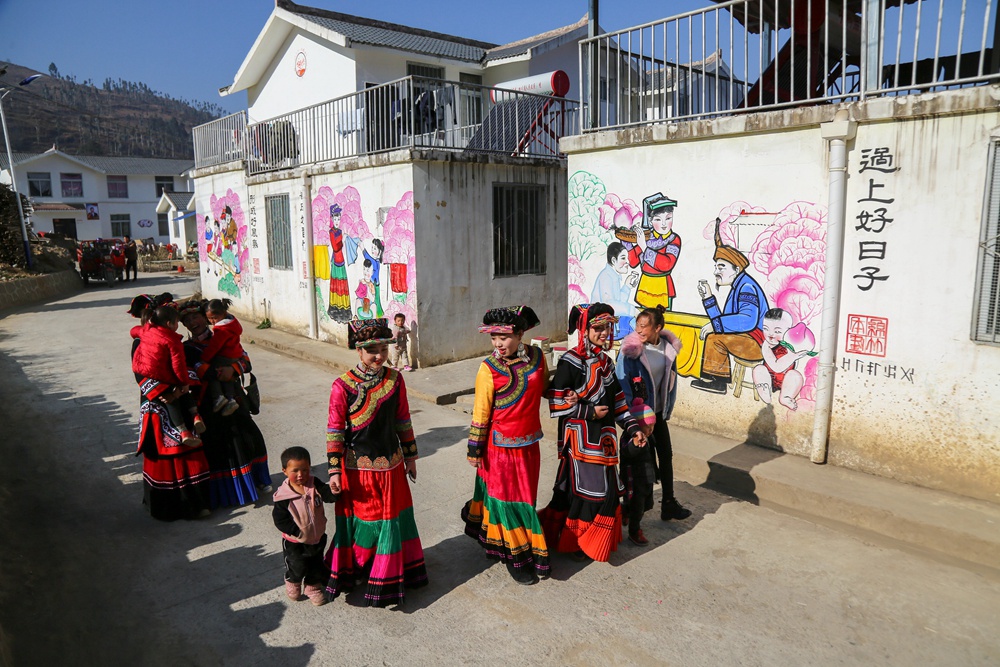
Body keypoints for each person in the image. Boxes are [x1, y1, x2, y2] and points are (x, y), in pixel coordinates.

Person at [323, 318, 427, 607]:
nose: (379, 355)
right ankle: (361, 568)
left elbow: (403, 419)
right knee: (367, 522)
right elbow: (335, 430)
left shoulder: (395, 379)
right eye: (372, 350)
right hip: (358, 470)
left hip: (392, 466)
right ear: (359, 351)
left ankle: (389, 573)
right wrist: (333, 470)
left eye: (383, 348)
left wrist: (411, 457)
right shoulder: (342, 386)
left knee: (392, 521)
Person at [539, 303, 645, 563]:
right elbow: (555, 398)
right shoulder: (571, 362)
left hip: (605, 440)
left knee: (606, 491)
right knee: (589, 493)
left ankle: (586, 541)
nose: (603, 332)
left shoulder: (606, 363)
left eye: (606, 327)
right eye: (597, 327)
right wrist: (588, 413)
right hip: (581, 442)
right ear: (584, 329)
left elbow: (618, 401)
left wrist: (633, 429)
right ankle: (577, 542)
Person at [461, 306, 551, 585]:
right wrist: (475, 449)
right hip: (498, 449)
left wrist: (570, 395)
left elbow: (546, 388)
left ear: (521, 334)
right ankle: (517, 558)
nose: (498, 343)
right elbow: (481, 411)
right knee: (505, 502)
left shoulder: (537, 357)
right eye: (493, 338)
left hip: (529, 444)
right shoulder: (488, 368)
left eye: (504, 337)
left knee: (525, 500)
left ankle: (503, 542)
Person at [178, 298, 272, 508]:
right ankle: (230, 493)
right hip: (209, 405)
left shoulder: (225, 333)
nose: (193, 322)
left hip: (236, 399)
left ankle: (259, 480)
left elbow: (246, 360)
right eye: (187, 320)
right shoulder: (187, 348)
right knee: (222, 448)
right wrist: (217, 373)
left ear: (206, 317)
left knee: (250, 438)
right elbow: (195, 371)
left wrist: (234, 369)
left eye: (196, 316)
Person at [129, 296, 210, 521]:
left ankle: (197, 504)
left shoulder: (161, 339)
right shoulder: (142, 343)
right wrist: (169, 393)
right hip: (158, 406)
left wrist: (182, 389)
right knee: (169, 453)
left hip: (176, 398)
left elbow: (181, 364)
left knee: (188, 452)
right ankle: (176, 507)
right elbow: (141, 374)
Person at [616, 306, 691, 522]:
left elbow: (670, 381)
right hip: (637, 418)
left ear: (658, 327)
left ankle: (668, 503)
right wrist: (631, 420)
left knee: (665, 456)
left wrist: (665, 410)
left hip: (658, 415)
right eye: (637, 325)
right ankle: (630, 508)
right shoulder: (630, 351)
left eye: (644, 326)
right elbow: (623, 386)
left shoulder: (668, 349)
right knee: (637, 464)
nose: (638, 330)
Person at [692, 218, 770, 394]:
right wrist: (708, 297)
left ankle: (717, 382)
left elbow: (747, 320)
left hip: (756, 342)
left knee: (714, 338)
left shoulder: (746, 287)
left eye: (721, 267)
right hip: (746, 338)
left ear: (736, 269)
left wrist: (715, 325)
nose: (716, 272)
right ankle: (715, 379)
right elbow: (723, 322)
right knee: (715, 334)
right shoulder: (737, 287)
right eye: (716, 267)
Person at [272, 446, 338, 607]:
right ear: (285, 471)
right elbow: (280, 520)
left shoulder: (314, 483)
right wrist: (296, 532)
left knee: (316, 564)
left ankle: (312, 587)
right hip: (295, 543)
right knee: (297, 566)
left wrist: (334, 492)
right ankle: (292, 581)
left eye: (305, 470)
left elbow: (328, 496)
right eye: (295, 471)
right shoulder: (283, 497)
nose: (301, 475)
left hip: (317, 538)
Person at [131, 305, 205, 446]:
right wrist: (182, 385)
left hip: (160, 382)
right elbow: (178, 365)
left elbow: (134, 331)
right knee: (179, 396)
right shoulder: (172, 340)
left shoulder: (144, 333)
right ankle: (193, 418)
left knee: (177, 398)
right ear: (169, 323)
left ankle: (185, 429)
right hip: (158, 391)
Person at [628, 193, 681, 311]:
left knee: (663, 323)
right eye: (658, 219)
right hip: (645, 286)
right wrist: (628, 244)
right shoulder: (647, 237)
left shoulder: (673, 239)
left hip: (663, 288)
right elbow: (633, 262)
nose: (664, 224)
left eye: (668, 218)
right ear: (650, 221)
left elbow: (667, 264)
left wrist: (644, 248)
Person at [752, 308, 810, 410]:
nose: (770, 335)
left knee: (795, 375)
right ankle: (764, 389)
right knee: (759, 369)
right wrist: (793, 356)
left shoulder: (790, 343)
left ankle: (786, 397)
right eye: (766, 329)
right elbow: (776, 367)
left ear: (789, 331)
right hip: (768, 378)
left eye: (777, 331)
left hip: (786, 381)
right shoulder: (767, 345)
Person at [619, 399, 657, 545]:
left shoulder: (648, 437)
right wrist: (635, 444)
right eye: (648, 426)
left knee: (647, 503)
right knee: (637, 506)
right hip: (633, 480)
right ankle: (634, 531)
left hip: (647, 476)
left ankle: (625, 510)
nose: (651, 429)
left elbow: (651, 456)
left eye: (653, 425)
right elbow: (627, 451)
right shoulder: (629, 437)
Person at [200, 298, 245, 416]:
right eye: (209, 319)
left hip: (225, 356)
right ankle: (230, 399)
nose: (212, 321)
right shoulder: (232, 324)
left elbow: (214, 348)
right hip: (235, 355)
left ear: (224, 313)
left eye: (214, 318)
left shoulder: (222, 330)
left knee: (214, 372)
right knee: (228, 379)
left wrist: (204, 359)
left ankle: (218, 397)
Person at [591, 241, 639, 337]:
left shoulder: (613, 275)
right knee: (636, 327)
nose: (627, 262)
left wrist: (627, 286)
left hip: (610, 323)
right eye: (623, 258)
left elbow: (617, 302)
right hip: (601, 326)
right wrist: (632, 310)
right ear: (613, 261)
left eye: (627, 258)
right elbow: (610, 305)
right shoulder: (606, 276)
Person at [326, 204, 352, 322]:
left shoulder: (340, 231)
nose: (337, 221)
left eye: (338, 219)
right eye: (335, 219)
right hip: (336, 261)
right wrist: (342, 239)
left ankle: (344, 310)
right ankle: (336, 310)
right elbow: (336, 247)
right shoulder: (332, 232)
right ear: (332, 219)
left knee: (343, 286)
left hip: (341, 260)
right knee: (337, 286)